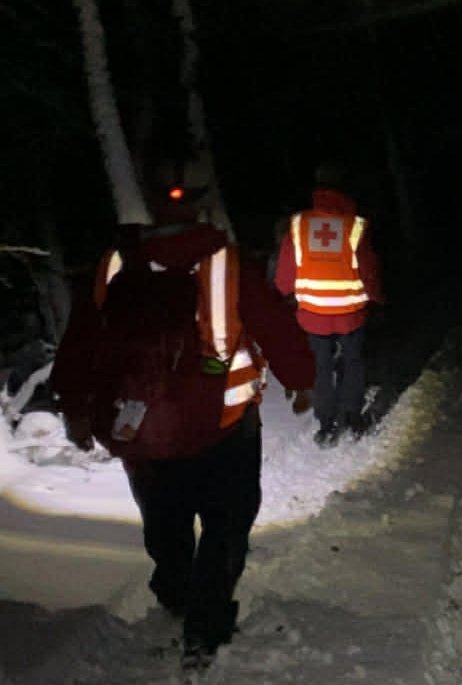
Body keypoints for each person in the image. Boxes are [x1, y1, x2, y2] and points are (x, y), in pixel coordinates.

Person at [50, 168, 315, 665]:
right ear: (199, 207)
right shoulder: (228, 263)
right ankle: (206, 625)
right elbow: (275, 327)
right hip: (225, 424)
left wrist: (76, 406)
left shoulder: (114, 264)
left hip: (146, 422)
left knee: (164, 515)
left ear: (150, 207)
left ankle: (174, 591)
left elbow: (81, 337)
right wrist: (300, 379)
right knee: (226, 521)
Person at [273, 164, 384, 447]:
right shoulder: (355, 226)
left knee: (321, 367)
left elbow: (285, 277)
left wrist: (287, 292)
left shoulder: (298, 226)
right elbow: (368, 270)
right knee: (353, 362)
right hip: (350, 315)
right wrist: (376, 297)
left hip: (313, 315)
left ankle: (326, 426)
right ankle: (353, 418)